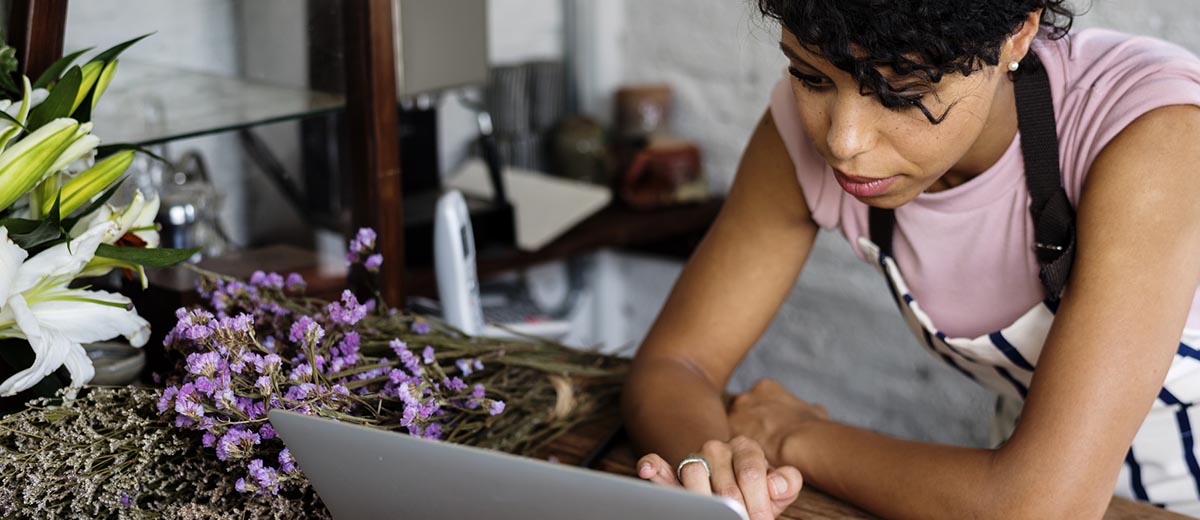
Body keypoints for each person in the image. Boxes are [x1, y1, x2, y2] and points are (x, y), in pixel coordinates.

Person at [621, 1, 1200, 518]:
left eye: (901, 94)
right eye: (810, 77)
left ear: (1017, 35)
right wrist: (716, 466)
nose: (844, 142)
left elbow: (1041, 507)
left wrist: (796, 437)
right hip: (1020, 473)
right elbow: (677, 365)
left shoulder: (1156, 136)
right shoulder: (811, 140)